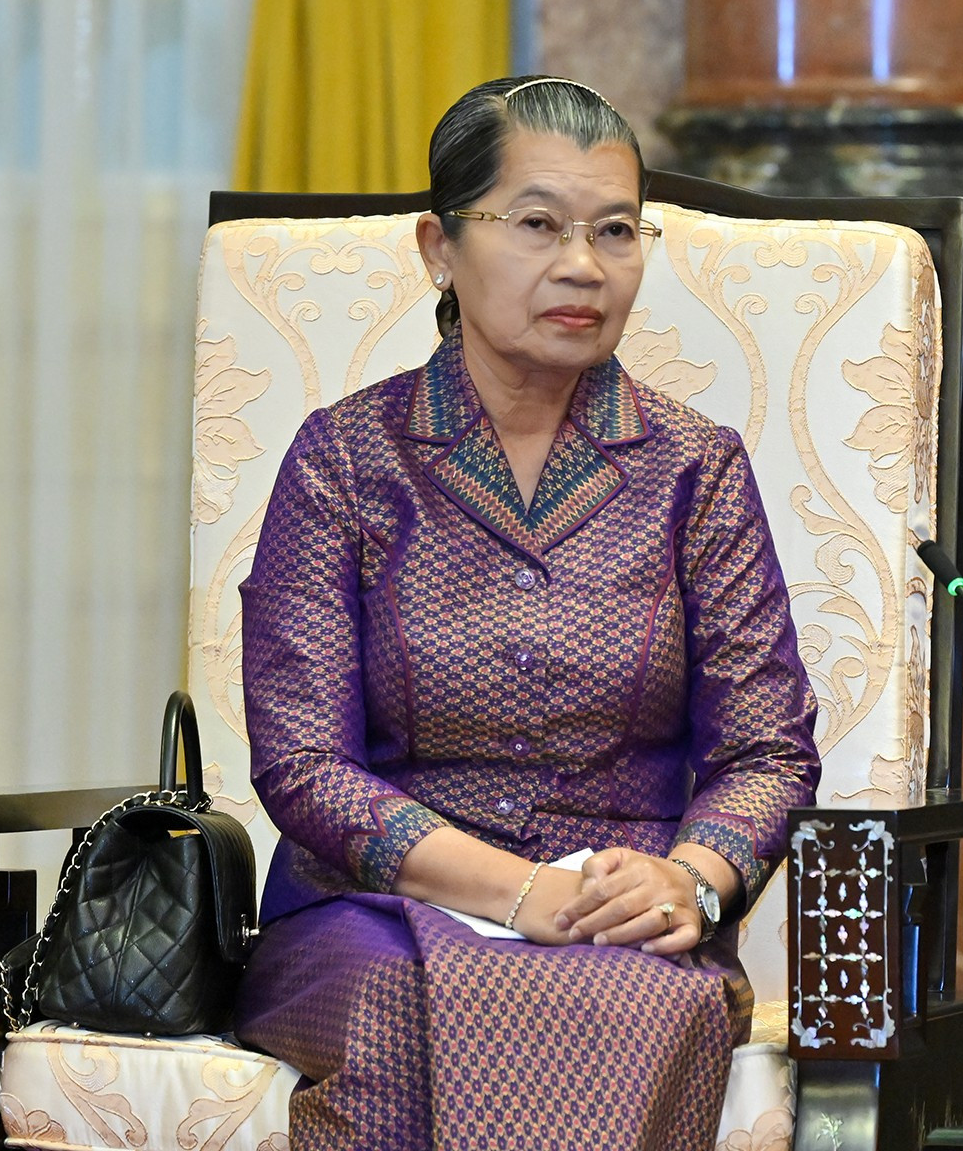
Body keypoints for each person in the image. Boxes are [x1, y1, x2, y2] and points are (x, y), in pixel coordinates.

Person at [233, 75, 822, 1151]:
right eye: (538, 224)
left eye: (614, 231)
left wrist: (691, 878)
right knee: (395, 1023)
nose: (583, 265)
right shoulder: (346, 460)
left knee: (635, 1006)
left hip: (622, 911)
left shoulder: (696, 470)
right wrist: (514, 893)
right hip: (372, 910)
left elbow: (768, 750)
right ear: (438, 247)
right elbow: (302, 765)